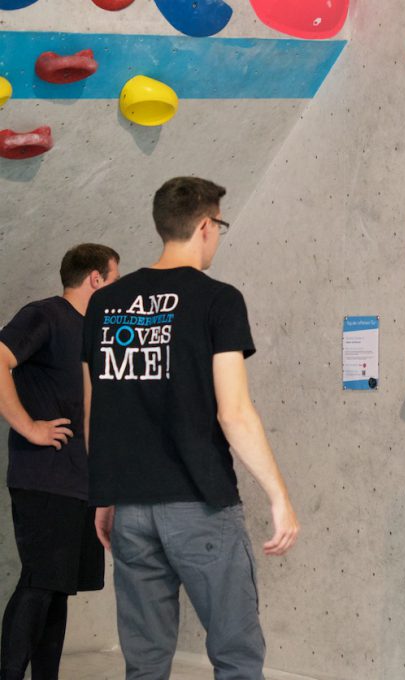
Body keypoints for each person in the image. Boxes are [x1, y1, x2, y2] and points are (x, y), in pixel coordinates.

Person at [81, 177, 299, 678]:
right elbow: (235, 412)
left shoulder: (105, 304)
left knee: (146, 661)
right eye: (218, 225)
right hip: (199, 504)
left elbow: (97, 405)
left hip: (130, 509)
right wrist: (278, 495)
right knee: (236, 655)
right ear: (204, 226)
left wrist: (104, 494)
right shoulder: (217, 300)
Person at [0, 243, 120, 680]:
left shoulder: (91, 332)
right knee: (39, 585)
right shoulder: (45, 314)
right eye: (114, 279)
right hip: (44, 479)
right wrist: (30, 426)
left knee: (57, 591)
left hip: (78, 484)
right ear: (95, 278)